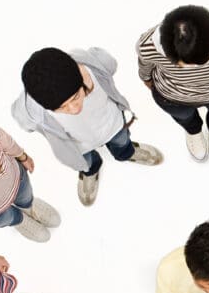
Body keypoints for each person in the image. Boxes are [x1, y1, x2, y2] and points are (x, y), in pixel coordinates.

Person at [13, 46, 163, 208]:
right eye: (61, 108)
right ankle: (90, 171)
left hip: (112, 125)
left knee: (122, 143)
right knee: (86, 163)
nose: (74, 109)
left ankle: (127, 153)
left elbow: (111, 64)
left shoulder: (94, 65)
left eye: (76, 96)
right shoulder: (32, 107)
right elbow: (22, 118)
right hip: (78, 146)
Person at [137, 5, 209, 162]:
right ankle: (193, 130)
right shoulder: (146, 45)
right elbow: (145, 68)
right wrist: (147, 80)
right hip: (174, 98)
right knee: (184, 118)